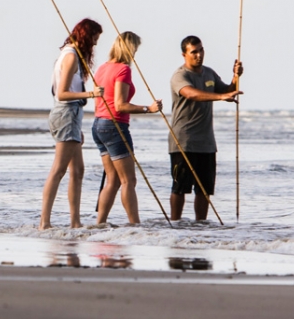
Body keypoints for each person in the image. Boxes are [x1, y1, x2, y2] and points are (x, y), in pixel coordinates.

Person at [167, 36, 242, 221]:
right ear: (184, 54)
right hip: (183, 141)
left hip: (206, 143)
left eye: (201, 50)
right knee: (180, 187)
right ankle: (175, 224)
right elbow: (191, 94)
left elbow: (226, 90)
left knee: (204, 189)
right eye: (194, 52)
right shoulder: (180, 76)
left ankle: (201, 228)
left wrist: (235, 77)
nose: (199, 55)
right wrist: (219, 97)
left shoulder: (209, 73)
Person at [39, 18, 104, 229]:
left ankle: (75, 222)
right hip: (65, 112)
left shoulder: (72, 55)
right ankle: (44, 222)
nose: (94, 44)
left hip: (72, 115)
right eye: (94, 39)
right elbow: (62, 93)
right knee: (59, 170)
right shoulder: (70, 57)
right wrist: (91, 94)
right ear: (86, 36)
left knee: (78, 170)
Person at [92, 30, 161, 226]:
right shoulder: (123, 69)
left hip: (98, 125)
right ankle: (135, 225)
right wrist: (149, 108)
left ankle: (100, 223)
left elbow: (100, 102)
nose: (135, 54)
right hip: (114, 125)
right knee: (128, 181)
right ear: (129, 49)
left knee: (112, 180)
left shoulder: (103, 68)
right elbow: (120, 105)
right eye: (135, 49)